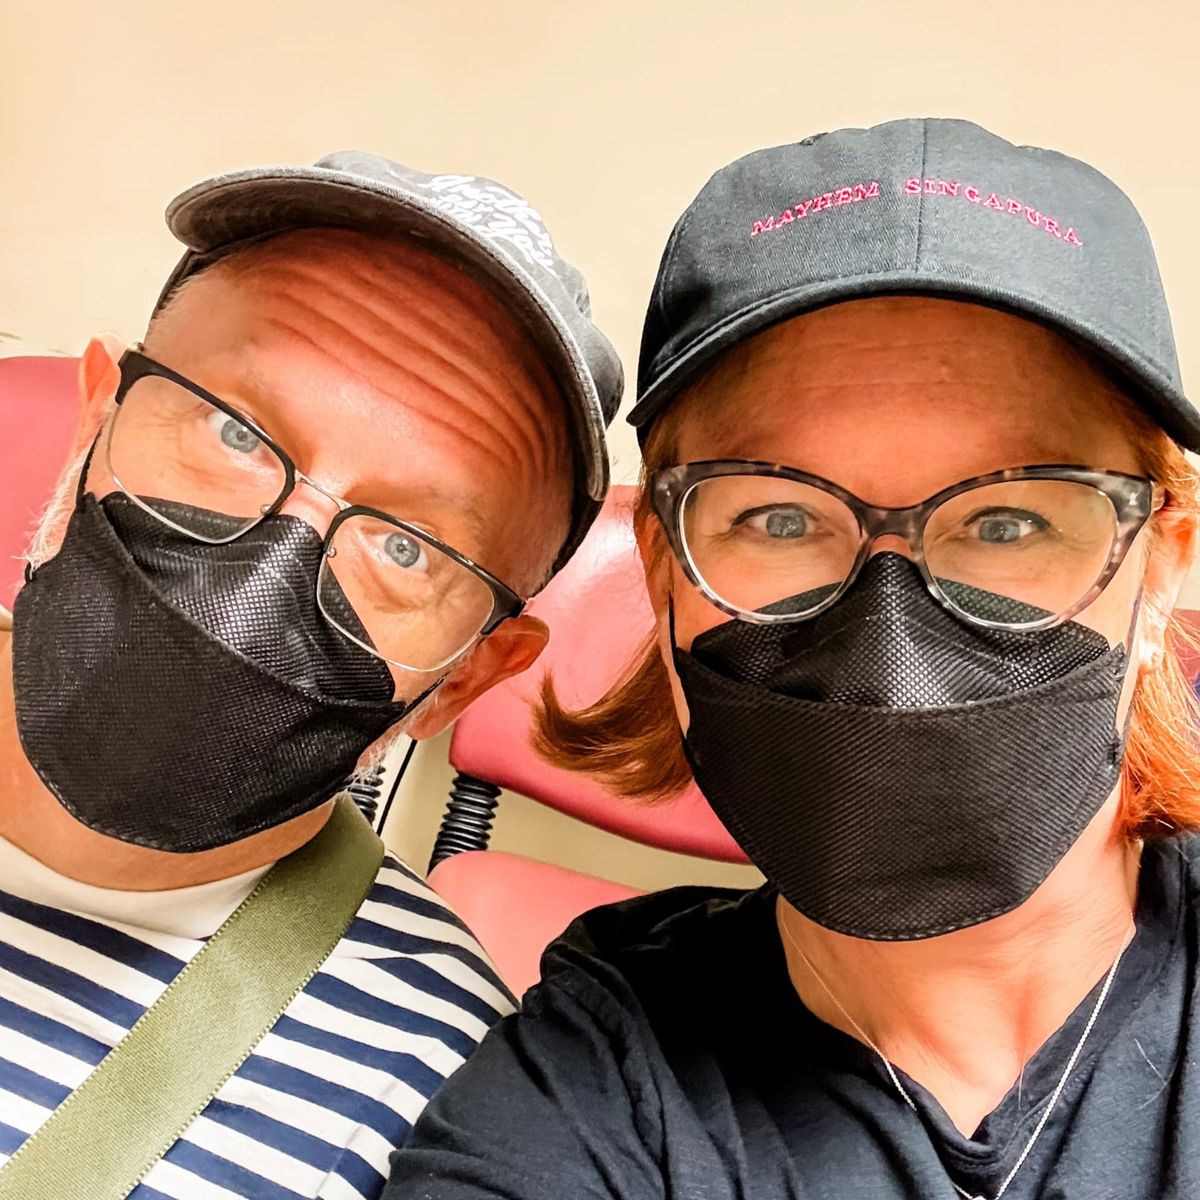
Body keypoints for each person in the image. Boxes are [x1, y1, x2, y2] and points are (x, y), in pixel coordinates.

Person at [385, 119, 1200, 1199]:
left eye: (1009, 522)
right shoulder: (594, 1084)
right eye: (777, 517)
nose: (893, 645)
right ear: (665, 568)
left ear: (1162, 569)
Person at [0, 152, 621, 1198]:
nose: (260, 579)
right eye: (235, 431)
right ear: (95, 415)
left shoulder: (448, 1105)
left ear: (471, 676)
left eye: (409, 545)